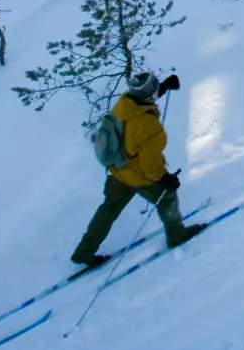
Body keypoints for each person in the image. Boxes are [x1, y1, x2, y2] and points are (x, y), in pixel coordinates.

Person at [70, 71, 205, 271]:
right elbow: (151, 168)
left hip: (117, 171)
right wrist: (166, 179)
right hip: (138, 175)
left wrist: (163, 87)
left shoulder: (124, 104)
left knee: (108, 209)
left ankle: (84, 252)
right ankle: (177, 236)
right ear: (149, 95)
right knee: (168, 198)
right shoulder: (150, 127)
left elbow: (140, 104)